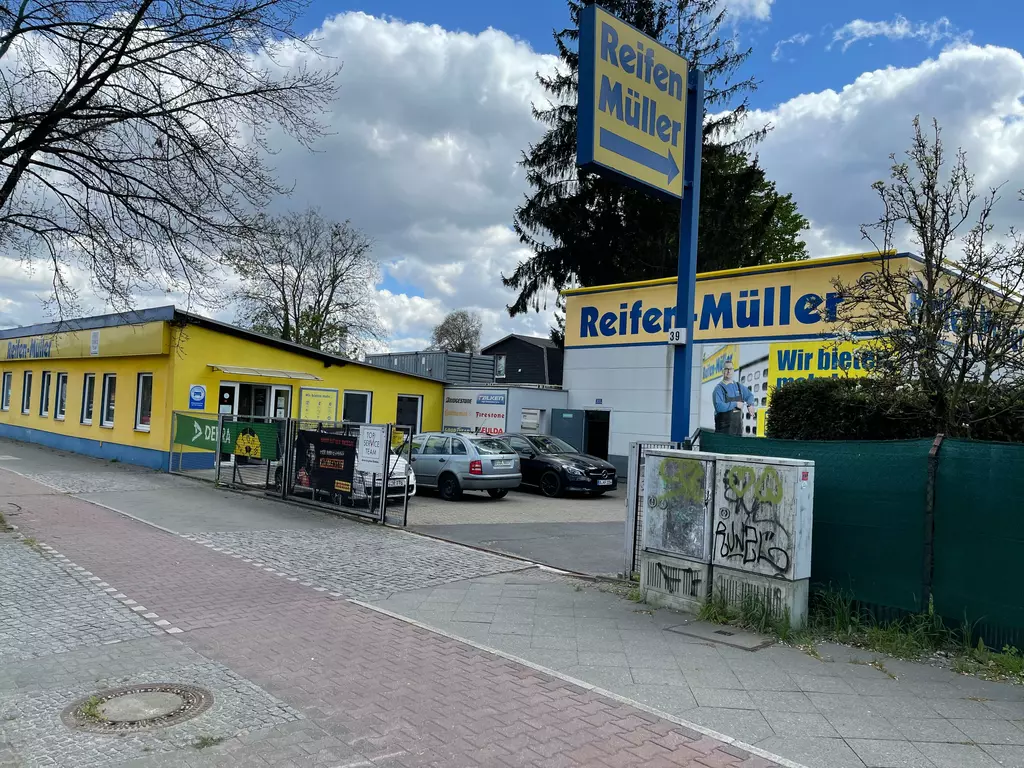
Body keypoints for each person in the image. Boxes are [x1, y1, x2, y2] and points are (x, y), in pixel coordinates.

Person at [712, 361, 756, 435]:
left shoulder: (739, 386)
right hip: (723, 433)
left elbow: (749, 395)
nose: (728, 371)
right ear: (722, 371)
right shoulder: (718, 389)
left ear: (733, 371)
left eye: (731, 369)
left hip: (738, 432)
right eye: (726, 369)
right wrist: (735, 404)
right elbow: (718, 406)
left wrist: (750, 405)